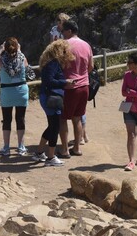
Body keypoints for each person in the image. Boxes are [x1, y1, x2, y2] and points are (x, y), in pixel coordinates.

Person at [34, 40, 73, 166]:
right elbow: (50, 81)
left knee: (52, 126)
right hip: (51, 97)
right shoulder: (53, 64)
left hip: (48, 96)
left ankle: (39, 152)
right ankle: (50, 157)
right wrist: (65, 82)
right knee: (55, 127)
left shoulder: (50, 63)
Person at [59, 20, 93, 158]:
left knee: (62, 118)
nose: (61, 34)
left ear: (69, 31)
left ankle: (65, 149)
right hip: (84, 85)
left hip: (69, 86)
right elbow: (91, 66)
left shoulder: (65, 45)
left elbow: (59, 65)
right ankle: (77, 148)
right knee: (77, 118)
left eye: (63, 31)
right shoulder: (86, 45)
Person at [0, 37, 30, 156]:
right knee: (20, 118)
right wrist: (19, 50)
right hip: (21, 91)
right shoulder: (22, 57)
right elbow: (26, 66)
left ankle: (6, 147)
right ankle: (21, 146)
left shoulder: (1, 60)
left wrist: (0, 51)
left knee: (7, 119)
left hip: (7, 92)